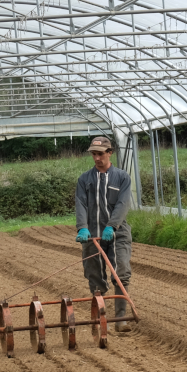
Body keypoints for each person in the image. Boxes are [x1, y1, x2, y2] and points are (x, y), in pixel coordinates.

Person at [75, 136, 134, 332]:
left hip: (118, 233)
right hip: (92, 234)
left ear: (110, 153)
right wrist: (82, 227)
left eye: (100, 154)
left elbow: (123, 204)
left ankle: (121, 319)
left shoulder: (122, 177)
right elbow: (81, 204)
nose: (97, 158)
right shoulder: (84, 179)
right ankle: (101, 319)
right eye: (94, 154)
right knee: (94, 276)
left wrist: (112, 226)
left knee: (121, 272)